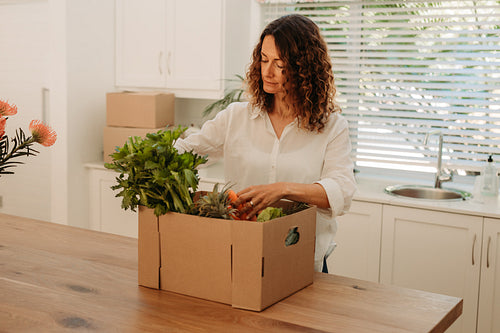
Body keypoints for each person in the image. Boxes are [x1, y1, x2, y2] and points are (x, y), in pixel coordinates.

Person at [174, 14, 356, 273]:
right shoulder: (236, 117)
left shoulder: (332, 127)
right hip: (240, 254)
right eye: (264, 59)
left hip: (302, 259)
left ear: (304, 68)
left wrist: (283, 189)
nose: (267, 72)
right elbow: (187, 151)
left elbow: (342, 192)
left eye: (280, 64)